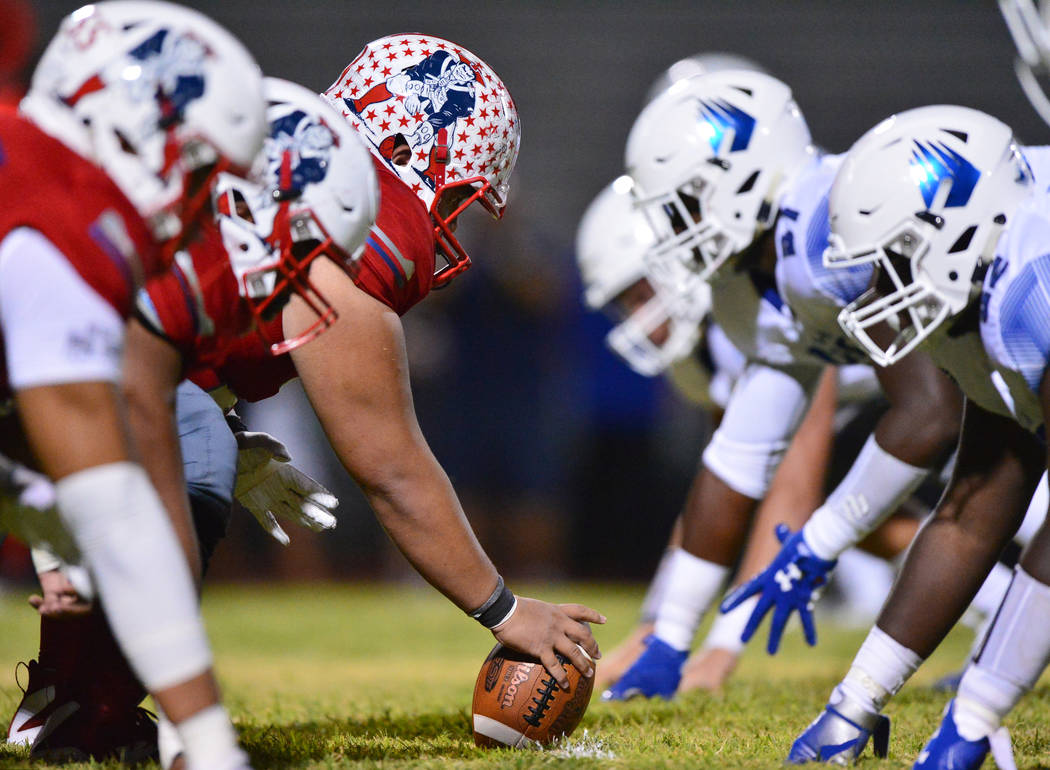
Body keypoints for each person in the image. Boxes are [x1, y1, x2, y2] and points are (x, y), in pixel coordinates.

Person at [6, 77, 380, 763]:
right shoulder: (59, 226)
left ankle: (83, 703)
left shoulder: (88, 224)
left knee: (193, 436)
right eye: (290, 249)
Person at [602, 69, 964, 701]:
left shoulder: (832, 229)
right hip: (989, 380)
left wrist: (817, 547)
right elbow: (739, 456)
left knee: (1002, 493)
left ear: (740, 179)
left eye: (683, 204)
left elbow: (931, 415)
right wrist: (672, 635)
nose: (674, 229)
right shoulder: (755, 278)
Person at [0, 3, 267, 769]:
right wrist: (211, 743)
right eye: (202, 171)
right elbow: (116, 511)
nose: (201, 207)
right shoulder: (64, 212)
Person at [784, 105, 1050, 768]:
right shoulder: (984, 297)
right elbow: (974, 506)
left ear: (957, 232)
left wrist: (977, 712)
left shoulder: (1034, 292)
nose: (878, 289)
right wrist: (855, 701)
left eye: (892, 262)